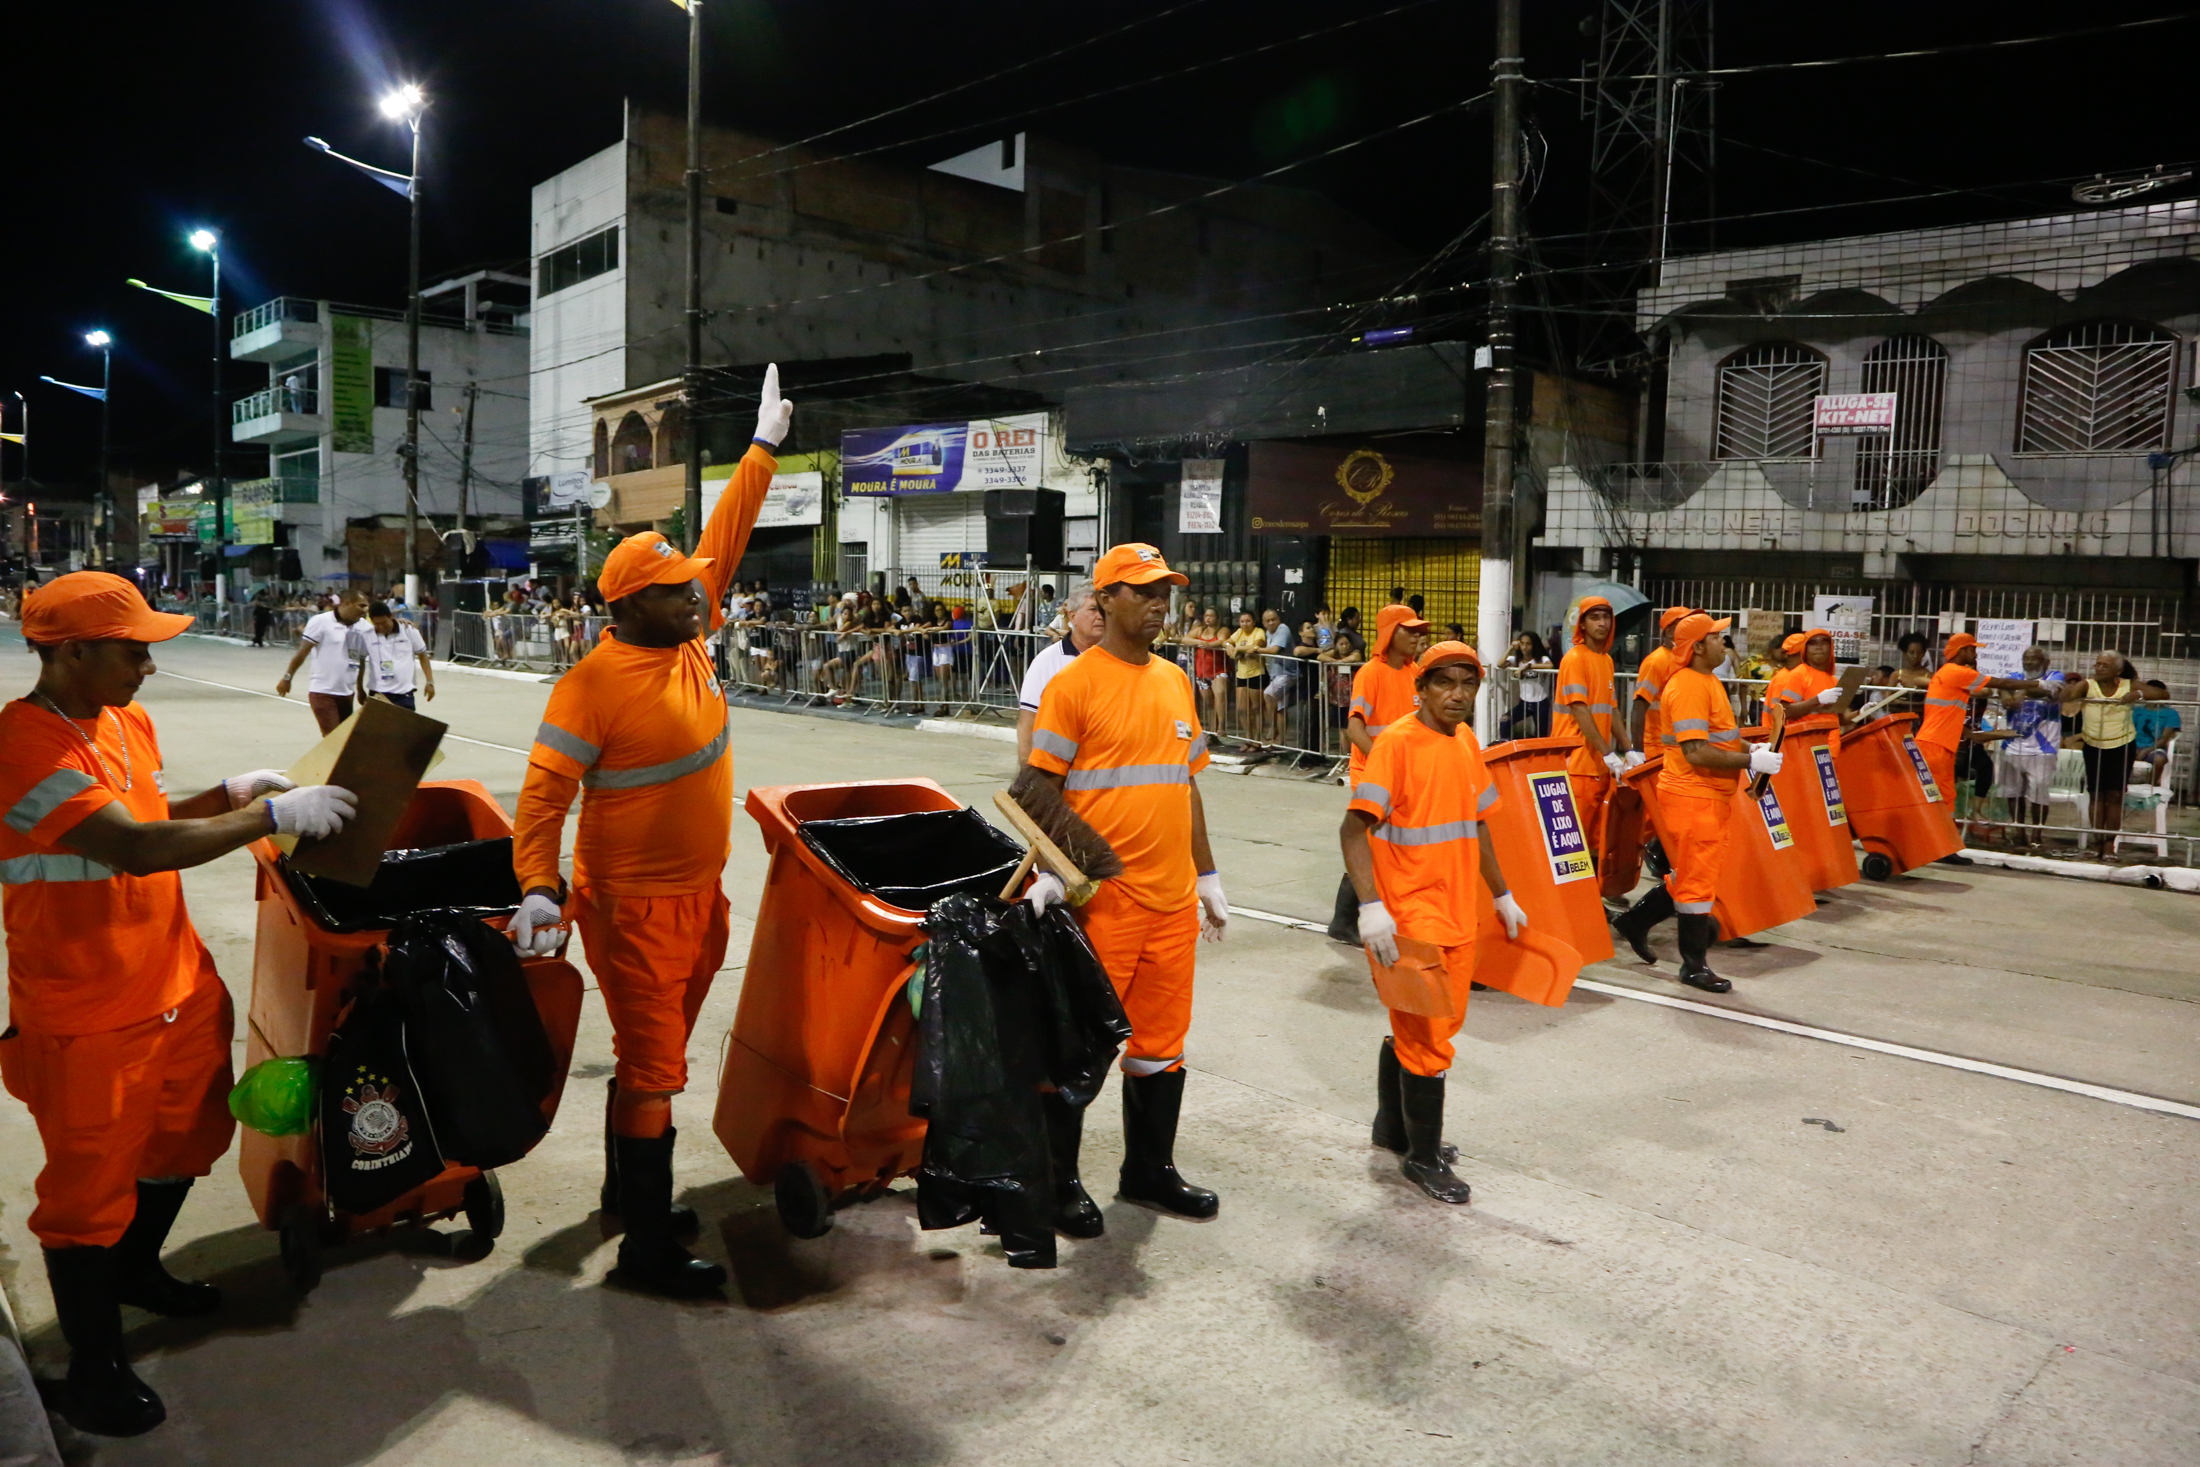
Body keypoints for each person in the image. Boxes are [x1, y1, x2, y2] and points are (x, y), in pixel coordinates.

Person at [1, 573, 355, 1437]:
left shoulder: (127, 720)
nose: (150, 664)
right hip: (87, 1005)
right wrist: (270, 812)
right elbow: (132, 845)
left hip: (177, 979)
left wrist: (227, 796)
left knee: (188, 1136)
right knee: (86, 1192)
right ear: (71, 651)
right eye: (133, 648)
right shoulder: (21, 744)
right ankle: (93, 1368)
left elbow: (157, 814)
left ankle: (135, 1269)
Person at [507, 364, 792, 1298]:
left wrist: (763, 449)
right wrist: (540, 888)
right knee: (658, 1069)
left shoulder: (686, 634)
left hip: (697, 895)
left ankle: (628, 1196)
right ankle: (645, 1255)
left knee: (646, 1064)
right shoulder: (591, 685)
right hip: (631, 908)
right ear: (626, 607)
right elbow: (544, 794)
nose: (698, 596)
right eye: (675, 592)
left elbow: (724, 539)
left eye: (690, 588)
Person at [1026, 542, 1230, 1231]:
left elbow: (1188, 785)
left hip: (1171, 904)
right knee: (1080, 1049)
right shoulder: (1074, 683)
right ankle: (1056, 1187)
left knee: (1161, 1046)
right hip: (1103, 903)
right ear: (1104, 597)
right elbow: (1038, 789)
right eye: (1143, 591)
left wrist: (1207, 875)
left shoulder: (1175, 681)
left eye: (1164, 592)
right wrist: (1056, 872)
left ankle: (1148, 1170)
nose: (1158, 604)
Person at [1340, 640, 1528, 1204]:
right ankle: (1422, 1158)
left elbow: (1478, 824)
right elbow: (1353, 830)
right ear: (1419, 689)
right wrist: (1371, 908)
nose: (1458, 695)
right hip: (1409, 919)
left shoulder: (1467, 741)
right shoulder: (1395, 745)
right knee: (1428, 1043)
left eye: (1467, 684)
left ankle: (1393, 1130)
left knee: (1426, 1031)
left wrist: (1503, 893)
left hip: (1456, 914)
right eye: (1444, 683)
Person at [1608, 613, 1783, 993]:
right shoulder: (1688, 686)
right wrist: (1751, 761)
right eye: (1718, 636)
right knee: (1696, 884)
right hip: (1693, 796)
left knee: (1691, 876)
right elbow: (1696, 752)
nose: (1726, 641)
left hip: (1705, 797)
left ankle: (1635, 922)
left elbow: (1719, 740)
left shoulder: (1707, 681)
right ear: (1698, 646)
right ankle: (1693, 965)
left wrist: (1750, 747)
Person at [1328, 604, 1431, 944]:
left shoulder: (1414, 672)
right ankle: (1346, 921)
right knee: (1373, 845)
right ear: (1390, 633)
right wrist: (1382, 760)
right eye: (1410, 630)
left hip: (1405, 774)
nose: (1418, 636)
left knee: (1391, 847)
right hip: (1372, 772)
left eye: (1419, 630)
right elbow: (1355, 725)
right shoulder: (1371, 673)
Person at [1913, 633, 2046, 863]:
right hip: (1936, 746)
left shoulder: (1946, 674)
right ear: (1961, 651)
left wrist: (1972, 736)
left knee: (1945, 798)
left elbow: (1947, 715)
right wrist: (2038, 684)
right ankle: (1932, 846)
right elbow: (2001, 683)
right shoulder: (1957, 672)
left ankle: (1942, 847)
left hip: (1937, 744)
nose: (1976, 653)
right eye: (1972, 649)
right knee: (1936, 798)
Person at [1553, 596, 1636, 864]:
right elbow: (1579, 709)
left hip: (1599, 765)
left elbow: (1611, 710)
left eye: (1606, 617)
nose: (1602, 623)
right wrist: (1609, 752)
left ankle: (1596, 898)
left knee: (1597, 840)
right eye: (1594, 617)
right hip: (1577, 765)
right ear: (1583, 625)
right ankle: (1576, 902)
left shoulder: (1605, 661)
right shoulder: (1575, 659)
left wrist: (1629, 750)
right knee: (1574, 844)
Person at [2063, 649, 2145, 855]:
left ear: (2117, 669)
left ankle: (2110, 845)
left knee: (2115, 796)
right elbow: (2067, 698)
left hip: (2122, 745)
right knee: (2096, 795)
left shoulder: (2128, 685)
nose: (2099, 668)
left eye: (2104, 665)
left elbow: (2162, 693)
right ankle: (2097, 842)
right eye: (2097, 664)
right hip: (2093, 745)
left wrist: (2139, 694)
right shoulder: (2087, 685)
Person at [1016, 580, 1101, 763]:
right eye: (1093, 609)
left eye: (1104, 610)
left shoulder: (1118, 660)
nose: (1101, 616)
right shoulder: (1047, 662)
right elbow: (1028, 723)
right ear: (1072, 616)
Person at [1995, 646, 2064, 848]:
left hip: (2043, 748)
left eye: (2034, 659)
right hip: (2013, 744)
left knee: (2038, 794)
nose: (2029, 663)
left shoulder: (2055, 675)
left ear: (2045, 662)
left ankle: (2037, 835)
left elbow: (2046, 689)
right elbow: (2002, 684)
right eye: (2026, 658)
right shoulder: (2014, 676)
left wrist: (2022, 690)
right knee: (2012, 792)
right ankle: (2019, 832)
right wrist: (2004, 693)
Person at [275, 592, 367, 734]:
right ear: (347, 603)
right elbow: (302, 653)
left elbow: (360, 660)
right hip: (323, 691)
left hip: (347, 693)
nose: (365, 610)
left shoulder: (363, 627)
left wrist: (360, 689)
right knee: (333, 737)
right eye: (361, 605)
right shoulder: (321, 621)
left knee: (345, 738)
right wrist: (287, 678)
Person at [355, 600, 434, 710]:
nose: (381, 627)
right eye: (377, 624)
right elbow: (361, 662)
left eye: (384, 623)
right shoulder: (366, 635)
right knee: (378, 727)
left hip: (404, 694)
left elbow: (423, 655)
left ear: (391, 616)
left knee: (404, 727)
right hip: (377, 693)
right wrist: (359, 688)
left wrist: (430, 681)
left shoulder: (408, 630)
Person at [1500, 630, 1552, 738]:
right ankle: (1506, 747)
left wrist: (1528, 666)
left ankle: (1541, 754)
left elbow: (1549, 666)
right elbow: (1500, 664)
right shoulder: (1517, 659)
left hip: (1540, 703)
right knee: (1504, 721)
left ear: (1534, 645)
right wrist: (1510, 648)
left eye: (1528, 644)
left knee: (1541, 735)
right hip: (1524, 702)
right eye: (1522, 643)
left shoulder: (1541, 659)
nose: (1524, 647)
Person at [1226, 610, 1268, 742]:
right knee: (1242, 709)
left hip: (1256, 673)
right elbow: (1227, 641)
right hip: (1242, 674)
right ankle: (1248, 737)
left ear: (1254, 622)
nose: (1245, 624)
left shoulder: (1258, 632)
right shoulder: (1239, 633)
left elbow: (1259, 644)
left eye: (1248, 621)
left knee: (1257, 708)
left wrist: (1238, 648)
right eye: (1242, 621)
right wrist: (1229, 647)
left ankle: (1258, 738)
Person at [2132, 680, 2181, 785]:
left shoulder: (2171, 713)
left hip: (2154, 748)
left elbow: (2164, 739)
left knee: (2159, 760)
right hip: (2132, 746)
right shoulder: (2136, 710)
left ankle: (2150, 786)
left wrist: (2146, 750)